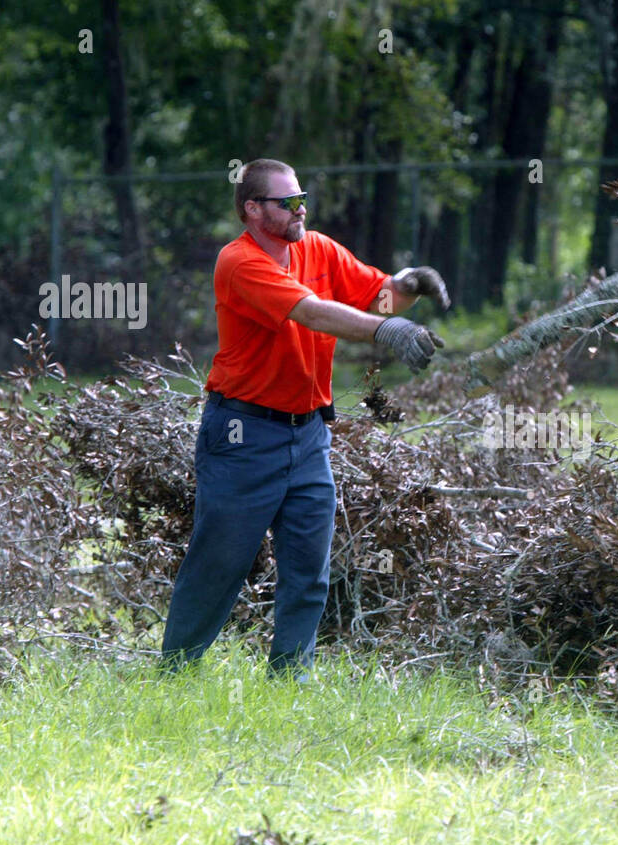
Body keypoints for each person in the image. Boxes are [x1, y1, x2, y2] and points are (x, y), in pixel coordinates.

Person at [160, 157, 450, 678]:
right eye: (286, 202)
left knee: (309, 570)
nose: (300, 210)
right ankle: (174, 675)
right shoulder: (239, 262)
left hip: (310, 433)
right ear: (252, 209)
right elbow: (311, 310)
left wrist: (411, 281)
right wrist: (389, 333)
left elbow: (376, 296)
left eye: (303, 199)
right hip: (242, 434)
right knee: (219, 566)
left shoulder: (316, 247)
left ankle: (290, 680)